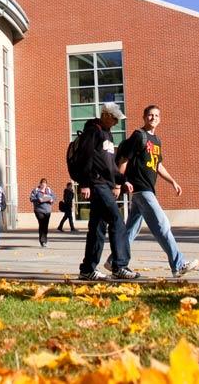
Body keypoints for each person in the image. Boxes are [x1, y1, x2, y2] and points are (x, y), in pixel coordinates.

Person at [111, 105, 199, 277]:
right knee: (162, 225)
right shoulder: (139, 136)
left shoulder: (157, 140)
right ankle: (178, 264)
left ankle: (114, 260)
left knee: (130, 232)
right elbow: (123, 159)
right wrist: (118, 183)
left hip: (146, 189)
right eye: (150, 115)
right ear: (144, 117)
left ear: (160, 118)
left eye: (156, 115)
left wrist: (172, 181)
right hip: (141, 188)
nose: (153, 118)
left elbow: (158, 165)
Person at [76, 101, 139, 281]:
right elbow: (85, 158)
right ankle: (119, 265)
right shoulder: (93, 132)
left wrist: (122, 180)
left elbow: (109, 166)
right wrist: (85, 183)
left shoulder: (108, 135)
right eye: (114, 119)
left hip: (105, 183)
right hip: (96, 184)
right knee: (117, 220)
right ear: (105, 115)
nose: (117, 123)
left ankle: (88, 269)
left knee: (97, 227)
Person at [30, 178, 55, 246]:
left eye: (45, 184)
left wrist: (51, 200)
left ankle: (44, 239)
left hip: (47, 210)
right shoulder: (36, 190)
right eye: (42, 184)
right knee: (42, 223)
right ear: (40, 184)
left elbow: (54, 197)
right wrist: (38, 199)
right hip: (39, 210)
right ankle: (42, 240)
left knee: (45, 225)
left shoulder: (49, 190)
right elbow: (31, 198)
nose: (43, 185)